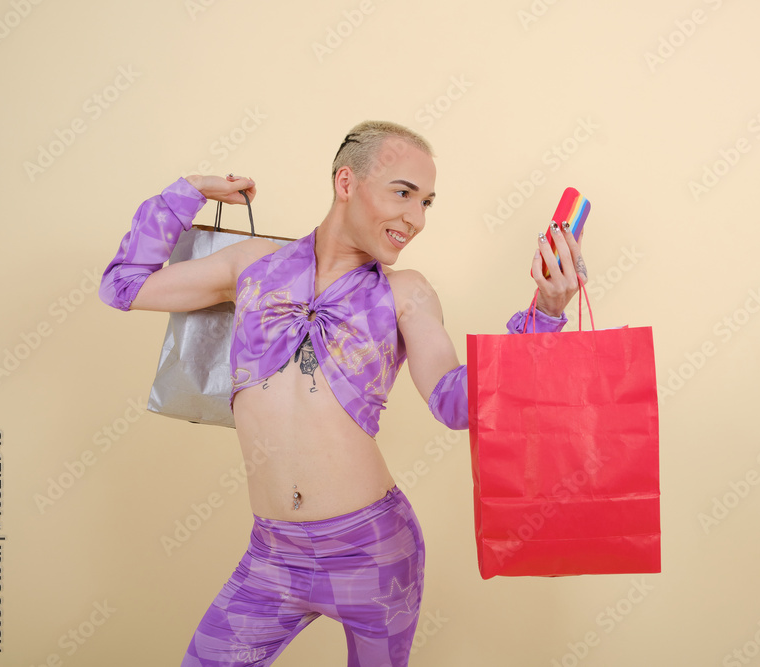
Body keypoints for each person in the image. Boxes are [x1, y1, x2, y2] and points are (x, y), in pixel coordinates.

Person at [99, 120, 587, 666]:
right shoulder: (251, 267)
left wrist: (545, 315)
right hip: (272, 556)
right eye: (403, 193)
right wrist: (189, 191)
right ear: (346, 182)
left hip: (373, 553)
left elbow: (455, 403)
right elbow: (123, 285)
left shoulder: (407, 292)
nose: (415, 218)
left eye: (426, 202)